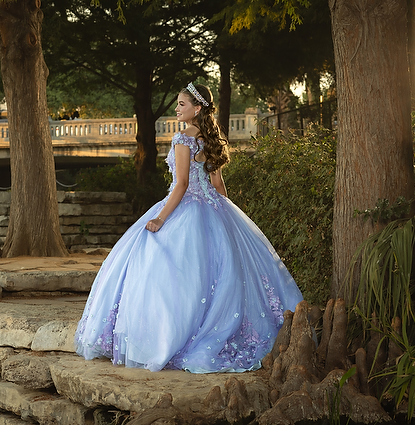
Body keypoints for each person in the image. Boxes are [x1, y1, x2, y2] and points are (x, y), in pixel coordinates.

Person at [74, 82, 303, 373]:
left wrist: (161, 219)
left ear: (197, 109)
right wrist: (230, 218)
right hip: (214, 208)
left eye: (181, 104)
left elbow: (181, 185)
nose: (177, 109)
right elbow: (217, 184)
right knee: (217, 276)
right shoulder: (212, 138)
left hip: (186, 209)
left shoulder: (183, 139)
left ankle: (166, 338)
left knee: (167, 270)